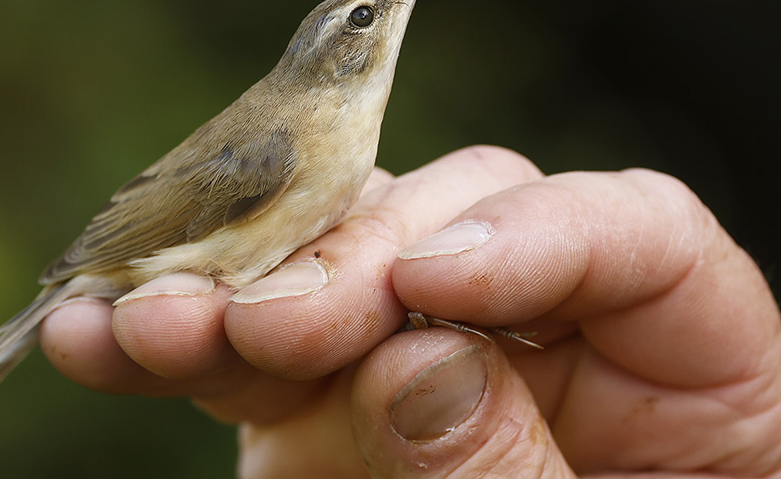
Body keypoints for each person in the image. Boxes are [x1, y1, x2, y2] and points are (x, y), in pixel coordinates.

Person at [39, 146, 781, 478]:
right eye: (367, 15)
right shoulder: (285, 141)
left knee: (326, 305)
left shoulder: (331, 141)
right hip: (145, 260)